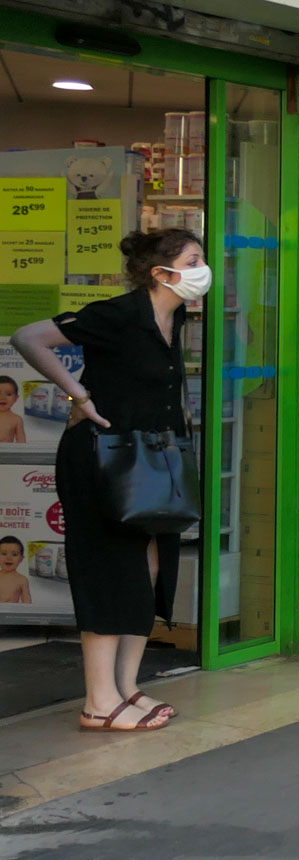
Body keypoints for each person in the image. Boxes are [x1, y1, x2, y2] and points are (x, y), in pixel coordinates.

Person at [10, 228, 207, 733]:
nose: (202, 269)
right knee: (108, 569)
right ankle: (98, 702)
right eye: (193, 260)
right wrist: (78, 396)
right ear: (161, 273)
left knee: (150, 566)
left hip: (154, 461)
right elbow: (28, 337)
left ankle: (126, 686)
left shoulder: (177, 316)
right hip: (103, 459)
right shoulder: (117, 313)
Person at [0, 536, 30, 604]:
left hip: (12, 610)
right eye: (4, 554)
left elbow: (27, 601)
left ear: (21, 559)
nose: (8, 558)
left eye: (14, 554)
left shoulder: (22, 580)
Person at [0, 376, 25, 442]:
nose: (2, 398)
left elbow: (21, 442)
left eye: (8, 394)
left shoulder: (16, 420)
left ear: (16, 398)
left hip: (6, 449)